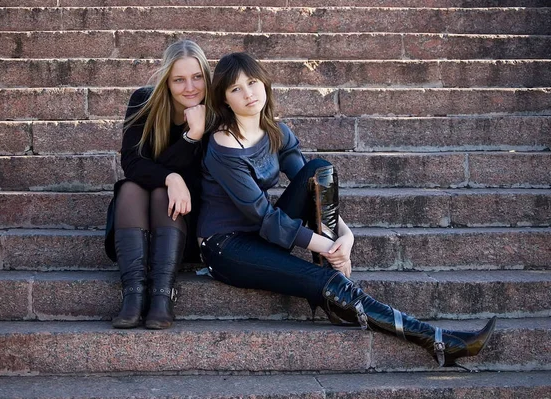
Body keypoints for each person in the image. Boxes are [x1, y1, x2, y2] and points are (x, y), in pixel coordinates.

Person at [197, 52, 496, 368]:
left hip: (262, 235)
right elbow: (264, 217)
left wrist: (345, 235)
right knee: (320, 279)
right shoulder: (223, 146)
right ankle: (435, 339)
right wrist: (328, 247)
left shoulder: (276, 132)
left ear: (265, 84)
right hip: (227, 247)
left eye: (253, 82)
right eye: (236, 89)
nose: (248, 94)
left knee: (319, 169)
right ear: (225, 99)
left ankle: (334, 276)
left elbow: (312, 185)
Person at [104, 40, 211, 329]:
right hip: (137, 223)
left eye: (197, 77)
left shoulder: (215, 113)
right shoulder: (144, 101)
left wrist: (196, 133)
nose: (190, 87)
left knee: (162, 195)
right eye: (179, 79)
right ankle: (133, 295)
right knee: (130, 187)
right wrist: (171, 176)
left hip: (184, 224)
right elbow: (132, 162)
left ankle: (163, 295)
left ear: (206, 77)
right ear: (167, 81)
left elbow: (204, 176)